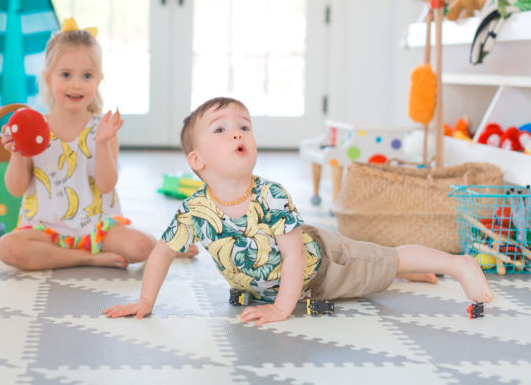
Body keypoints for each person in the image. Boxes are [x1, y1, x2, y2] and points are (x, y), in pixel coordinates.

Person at [104, 97, 493, 325]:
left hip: (325, 267)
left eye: (244, 126)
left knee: (385, 260)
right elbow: (163, 253)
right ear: (197, 160)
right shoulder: (194, 212)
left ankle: (460, 265)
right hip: (295, 278)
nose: (238, 133)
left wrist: (281, 308)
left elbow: (292, 254)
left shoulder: (271, 194)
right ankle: (412, 271)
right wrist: (146, 302)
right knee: (386, 266)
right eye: (220, 130)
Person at [0, 18, 197, 271]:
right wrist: (17, 152)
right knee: (7, 247)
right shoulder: (34, 127)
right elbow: (16, 189)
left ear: (98, 80)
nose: (76, 84)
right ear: (48, 79)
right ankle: (87, 258)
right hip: (44, 229)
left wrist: (102, 143)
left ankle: (159, 246)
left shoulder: (102, 129)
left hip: (97, 228)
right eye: (66, 75)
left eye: (87, 75)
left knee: (141, 246)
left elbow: (106, 185)